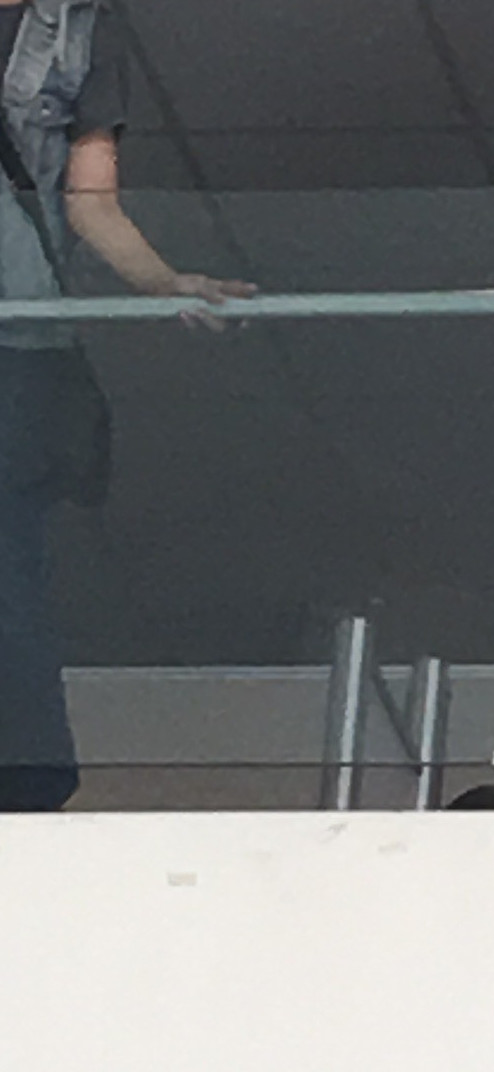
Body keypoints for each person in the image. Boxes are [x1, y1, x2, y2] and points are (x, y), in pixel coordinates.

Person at [0, 0, 250, 811]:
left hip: (16, 341)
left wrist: (164, 283)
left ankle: (26, 785)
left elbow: (89, 201)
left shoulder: (78, 29)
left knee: (9, 572)